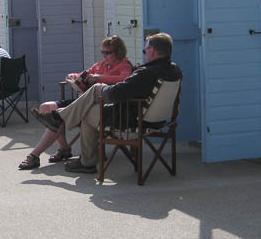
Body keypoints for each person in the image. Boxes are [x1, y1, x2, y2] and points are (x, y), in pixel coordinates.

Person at [30, 33, 182, 174]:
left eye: (145, 50)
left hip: (129, 119)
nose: (145, 53)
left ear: (153, 51)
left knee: (91, 104)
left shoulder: (146, 72)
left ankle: (85, 158)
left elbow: (116, 94)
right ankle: (60, 120)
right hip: (156, 119)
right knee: (91, 102)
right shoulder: (174, 70)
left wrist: (101, 87)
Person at [18, 35, 136, 170]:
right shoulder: (100, 65)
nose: (104, 56)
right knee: (46, 107)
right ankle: (64, 148)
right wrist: (73, 76)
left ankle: (35, 155)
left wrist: (100, 78)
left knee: (56, 118)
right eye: (102, 52)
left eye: (108, 52)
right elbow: (83, 74)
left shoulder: (124, 65)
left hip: (97, 105)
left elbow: (125, 79)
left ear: (118, 52)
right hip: (81, 101)